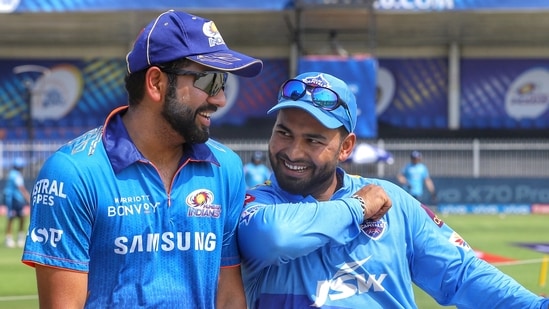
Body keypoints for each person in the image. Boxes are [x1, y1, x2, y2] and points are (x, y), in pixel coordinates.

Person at [237, 72, 549, 308]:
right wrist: (356, 208)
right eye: (284, 133)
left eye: (313, 140)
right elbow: (275, 238)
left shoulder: (392, 201)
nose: (293, 151)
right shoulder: (255, 203)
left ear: (345, 147)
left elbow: (460, 273)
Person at [22, 10, 262, 309]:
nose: (220, 99)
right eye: (210, 81)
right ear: (156, 83)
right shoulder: (73, 172)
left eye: (223, 82)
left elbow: (228, 297)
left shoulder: (225, 168)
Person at [3, 157, 30, 248]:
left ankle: (15, 237)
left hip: (14, 199)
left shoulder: (12, 174)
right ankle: (12, 238)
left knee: (17, 217)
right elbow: (21, 187)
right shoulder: (16, 175)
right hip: (15, 200)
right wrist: (28, 197)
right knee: (13, 218)